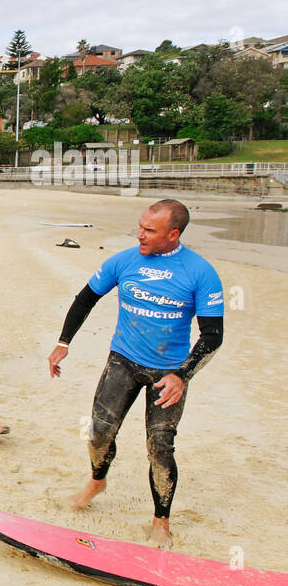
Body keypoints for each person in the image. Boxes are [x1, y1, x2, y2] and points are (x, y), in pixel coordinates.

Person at [47, 199, 223, 548]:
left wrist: (182, 376)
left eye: (149, 231)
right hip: (123, 361)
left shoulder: (201, 272)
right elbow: (86, 298)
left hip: (168, 371)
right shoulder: (124, 261)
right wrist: (63, 342)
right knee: (98, 433)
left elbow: (213, 336)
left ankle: (161, 520)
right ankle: (97, 480)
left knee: (160, 448)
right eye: (140, 226)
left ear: (173, 235)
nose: (139, 234)